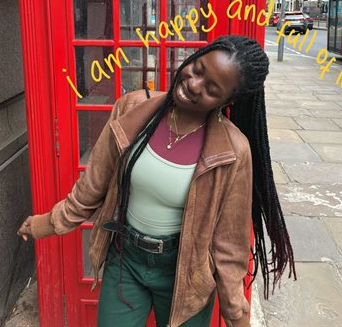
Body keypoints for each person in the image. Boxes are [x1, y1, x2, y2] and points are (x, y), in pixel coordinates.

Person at [18, 35, 296, 327]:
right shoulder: (132, 108)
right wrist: (43, 224)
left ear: (227, 101)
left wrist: (237, 315)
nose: (193, 84)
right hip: (126, 259)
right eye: (198, 69)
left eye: (212, 88)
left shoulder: (233, 151)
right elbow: (92, 188)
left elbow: (230, 244)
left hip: (187, 273)